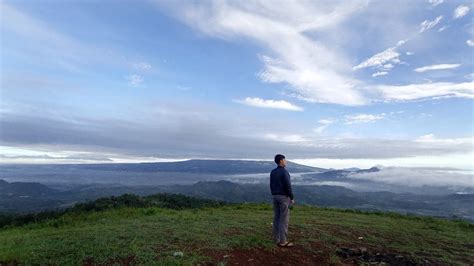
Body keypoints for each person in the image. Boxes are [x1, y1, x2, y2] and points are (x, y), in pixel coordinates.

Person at [270, 154, 295, 247]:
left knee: (276, 217)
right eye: (284, 160)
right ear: (281, 161)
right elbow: (288, 186)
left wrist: (274, 194)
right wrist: (291, 197)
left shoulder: (273, 172)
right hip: (283, 197)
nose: (286, 161)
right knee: (284, 219)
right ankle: (283, 241)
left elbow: (271, 185)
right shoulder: (285, 172)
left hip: (275, 196)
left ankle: (276, 239)